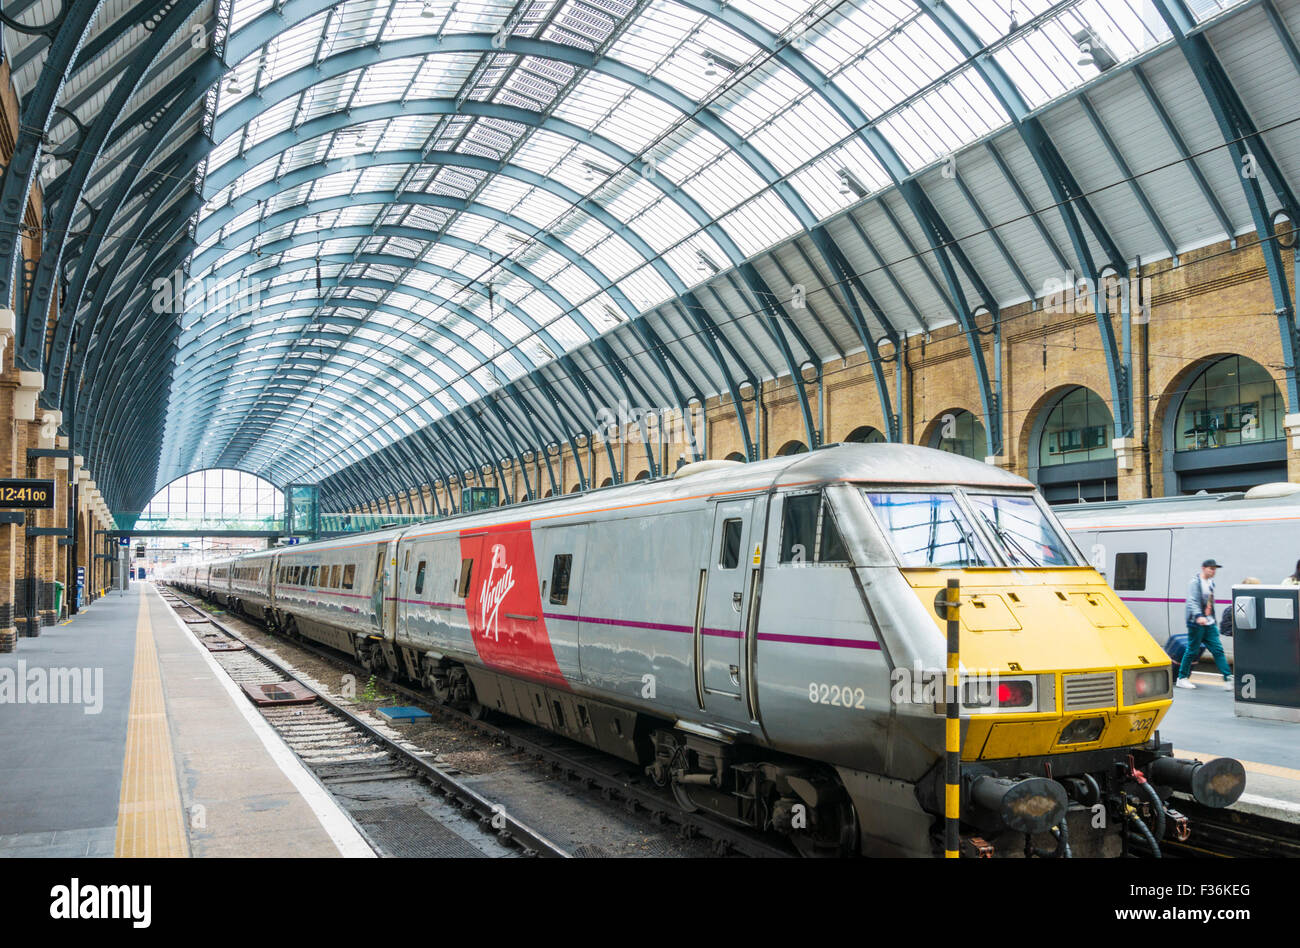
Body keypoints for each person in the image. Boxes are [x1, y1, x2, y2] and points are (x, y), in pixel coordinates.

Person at [1176, 559, 1232, 689]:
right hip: (1196, 622)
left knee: (1217, 650)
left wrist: (1211, 619)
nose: (1213, 571)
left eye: (1214, 569)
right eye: (1211, 569)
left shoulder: (1211, 583)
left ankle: (1227, 677)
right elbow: (1192, 601)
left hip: (1209, 623)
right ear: (1203, 568)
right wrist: (1199, 616)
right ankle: (1182, 677)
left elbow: (1210, 603)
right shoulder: (1195, 582)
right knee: (1192, 650)